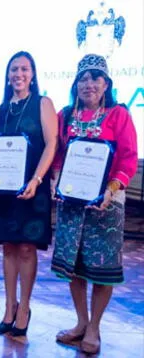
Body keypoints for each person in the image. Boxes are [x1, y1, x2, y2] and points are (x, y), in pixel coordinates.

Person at [51, 54, 138, 354]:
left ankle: (95, 327)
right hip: (72, 203)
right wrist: (56, 181)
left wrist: (111, 190)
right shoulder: (64, 116)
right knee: (74, 266)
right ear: (76, 83)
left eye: (95, 78)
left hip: (107, 203)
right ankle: (81, 322)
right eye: (83, 78)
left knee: (102, 268)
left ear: (106, 84)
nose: (88, 84)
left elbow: (127, 158)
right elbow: (58, 156)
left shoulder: (119, 115)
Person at [0, 51, 58, 337]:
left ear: (33, 74)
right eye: (14, 69)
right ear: (8, 75)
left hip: (34, 187)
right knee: (8, 248)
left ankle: (25, 307)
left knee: (27, 248)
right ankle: (9, 305)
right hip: (4, 191)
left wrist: (37, 178)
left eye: (25, 69)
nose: (19, 74)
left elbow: (52, 143)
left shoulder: (43, 104)